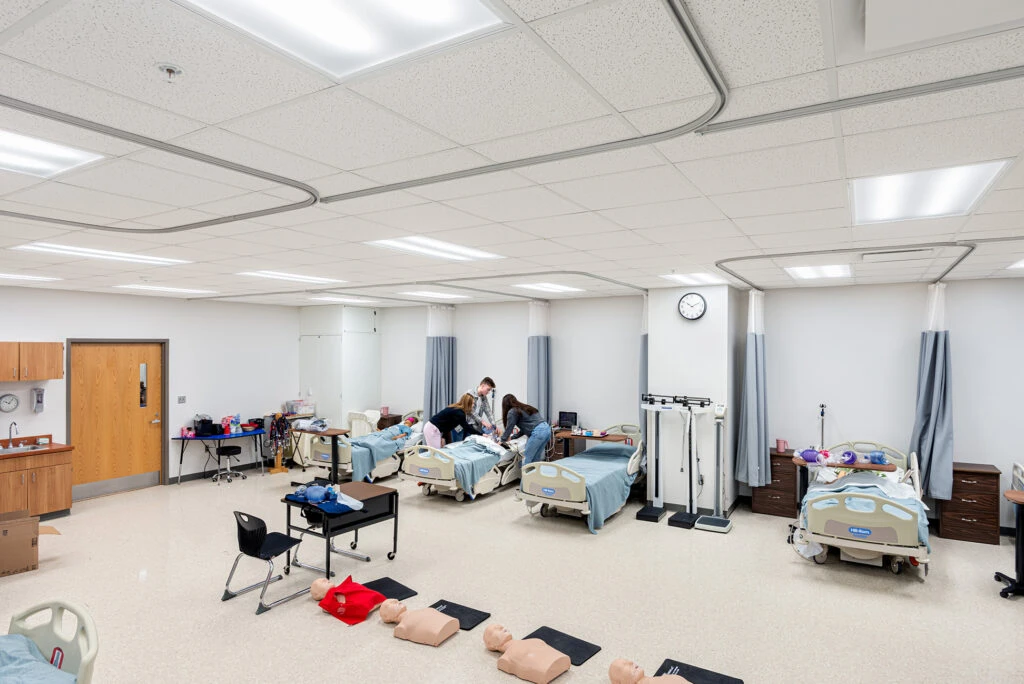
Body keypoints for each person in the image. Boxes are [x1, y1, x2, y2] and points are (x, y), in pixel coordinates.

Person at [500, 394, 551, 466]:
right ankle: (534, 477)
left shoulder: (512, 411)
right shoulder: (526, 407)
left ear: (505, 405)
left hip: (538, 432)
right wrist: (512, 437)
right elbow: (525, 429)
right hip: (547, 429)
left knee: (526, 459)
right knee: (535, 459)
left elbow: (509, 428)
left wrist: (502, 441)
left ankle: (524, 477)